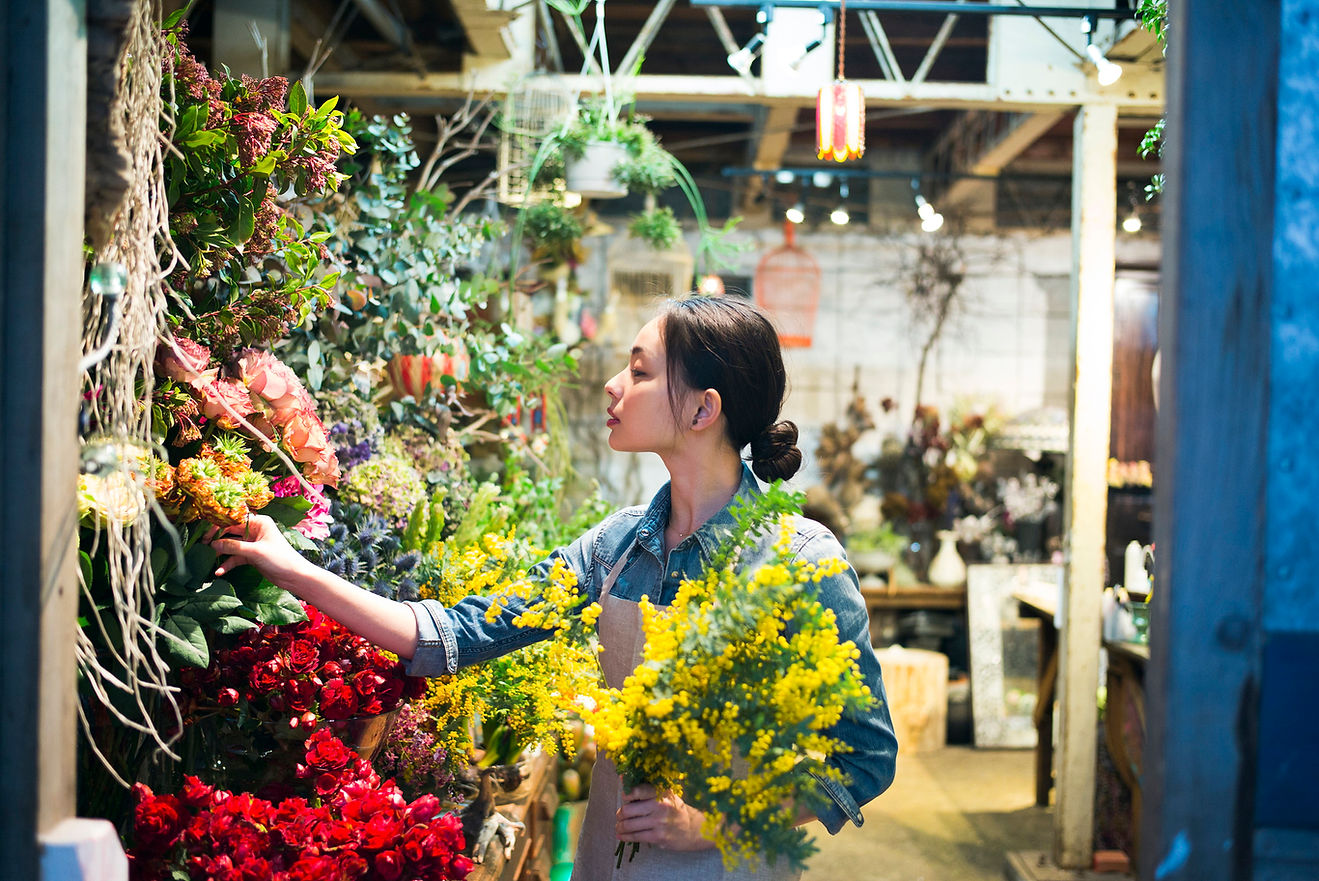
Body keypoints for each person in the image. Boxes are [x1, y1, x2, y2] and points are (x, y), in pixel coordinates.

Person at [211, 295, 898, 880]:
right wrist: (290, 565)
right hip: (608, 858)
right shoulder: (616, 548)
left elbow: (865, 761)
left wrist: (716, 819)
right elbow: (454, 634)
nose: (611, 385)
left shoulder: (799, 563)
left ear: (700, 411)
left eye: (638, 371)